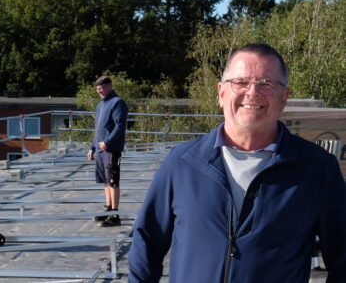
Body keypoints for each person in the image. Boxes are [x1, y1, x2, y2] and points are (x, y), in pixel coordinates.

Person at [128, 43, 346, 282]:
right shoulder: (182, 163)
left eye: (266, 83)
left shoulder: (316, 168)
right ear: (221, 93)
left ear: (284, 98)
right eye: (241, 82)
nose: (252, 92)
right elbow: (147, 242)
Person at [87, 75, 128, 227]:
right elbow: (98, 130)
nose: (100, 92)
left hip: (112, 149)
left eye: (102, 88)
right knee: (105, 181)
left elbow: (120, 126)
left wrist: (108, 142)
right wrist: (92, 147)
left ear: (110, 85)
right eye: (98, 90)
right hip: (100, 149)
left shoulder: (117, 103)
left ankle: (115, 215)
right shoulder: (100, 106)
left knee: (113, 180)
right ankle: (108, 209)